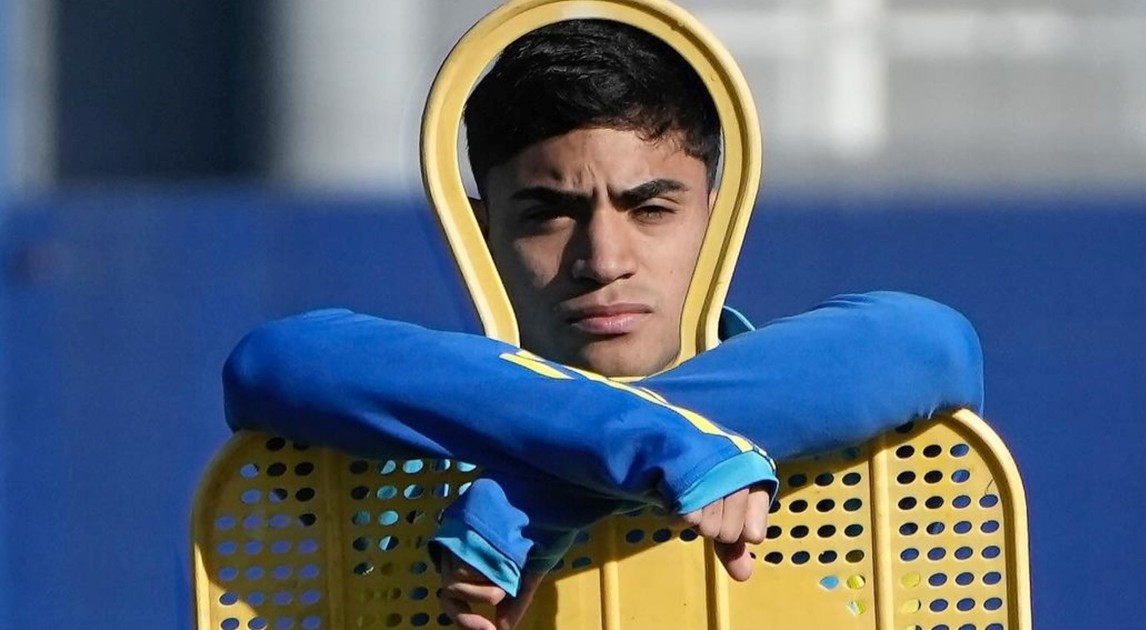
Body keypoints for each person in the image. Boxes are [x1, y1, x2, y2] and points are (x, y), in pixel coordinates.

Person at [222, 19, 983, 630]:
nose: (603, 259)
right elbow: (273, 365)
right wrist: (655, 448)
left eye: (650, 208)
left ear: (716, 215)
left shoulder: (839, 411)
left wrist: (538, 497)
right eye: (549, 214)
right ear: (480, 230)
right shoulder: (415, 433)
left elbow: (932, 342)